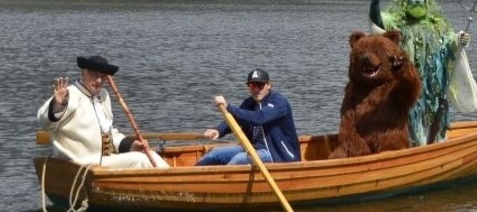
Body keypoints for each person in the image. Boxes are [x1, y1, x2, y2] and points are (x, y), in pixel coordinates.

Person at [370, 0, 477, 145]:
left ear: (425, 0)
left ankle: (437, 146)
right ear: (406, 0)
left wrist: (461, 38)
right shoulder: (396, 22)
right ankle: (414, 149)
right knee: (411, 120)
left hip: (434, 88)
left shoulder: (437, 25)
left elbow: (451, 41)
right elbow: (376, 18)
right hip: (408, 87)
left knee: (436, 120)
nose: (417, 0)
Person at [36, 54, 169, 168]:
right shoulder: (69, 94)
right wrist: (57, 104)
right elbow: (44, 122)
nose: (99, 81)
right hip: (82, 162)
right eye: (94, 75)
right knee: (142, 160)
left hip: (104, 160)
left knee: (149, 154)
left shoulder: (103, 96)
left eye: (102, 77)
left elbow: (109, 133)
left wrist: (131, 145)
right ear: (83, 73)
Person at [196, 68, 300, 165]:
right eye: (252, 86)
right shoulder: (249, 103)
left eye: (260, 85)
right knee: (215, 153)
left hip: (277, 153)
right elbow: (235, 119)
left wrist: (228, 107)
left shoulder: (279, 102)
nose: (256, 89)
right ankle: (192, 177)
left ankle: (222, 181)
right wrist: (218, 130)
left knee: (239, 159)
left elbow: (260, 118)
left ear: (269, 85)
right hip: (251, 148)